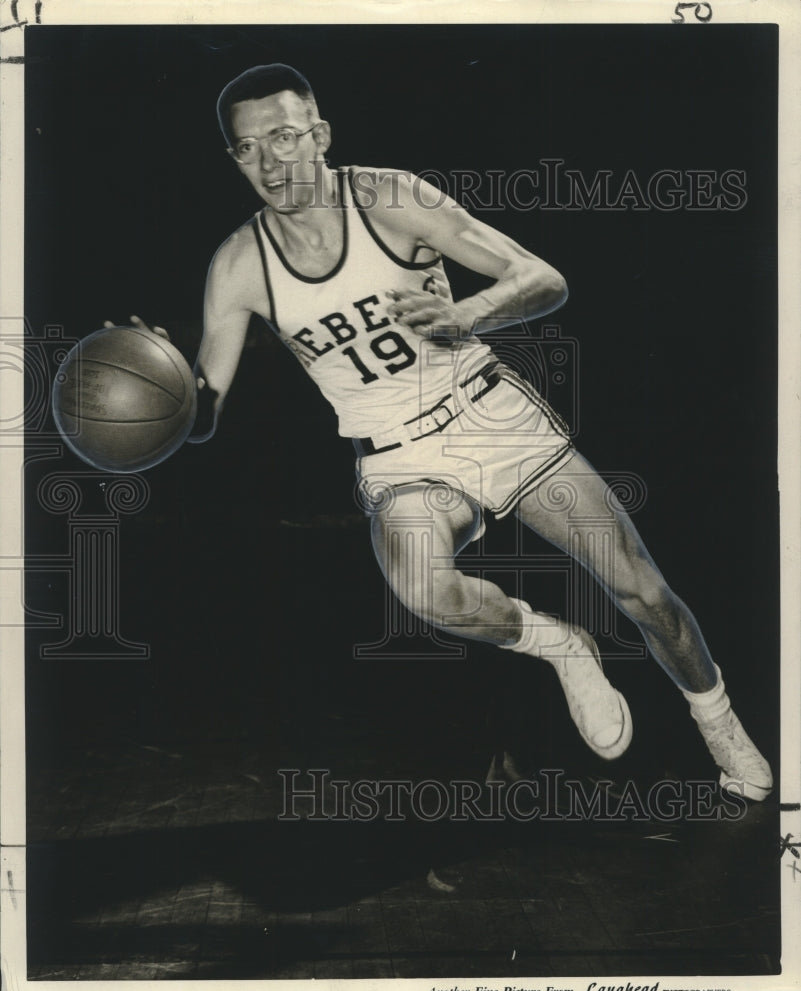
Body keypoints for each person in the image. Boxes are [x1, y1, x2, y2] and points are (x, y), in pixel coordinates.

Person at [111, 63, 771, 801]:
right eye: (247, 148)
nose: (270, 161)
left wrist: (466, 316)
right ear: (233, 158)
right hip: (397, 456)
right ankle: (562, 646)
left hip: (487, 414)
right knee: (422, 589)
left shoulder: (391, 197)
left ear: (319, 136)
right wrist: (160, 383)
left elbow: (541, 278)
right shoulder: (237, 265)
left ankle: (718, 725)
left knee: (643, 593)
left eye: (285, 136)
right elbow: (202, 416)